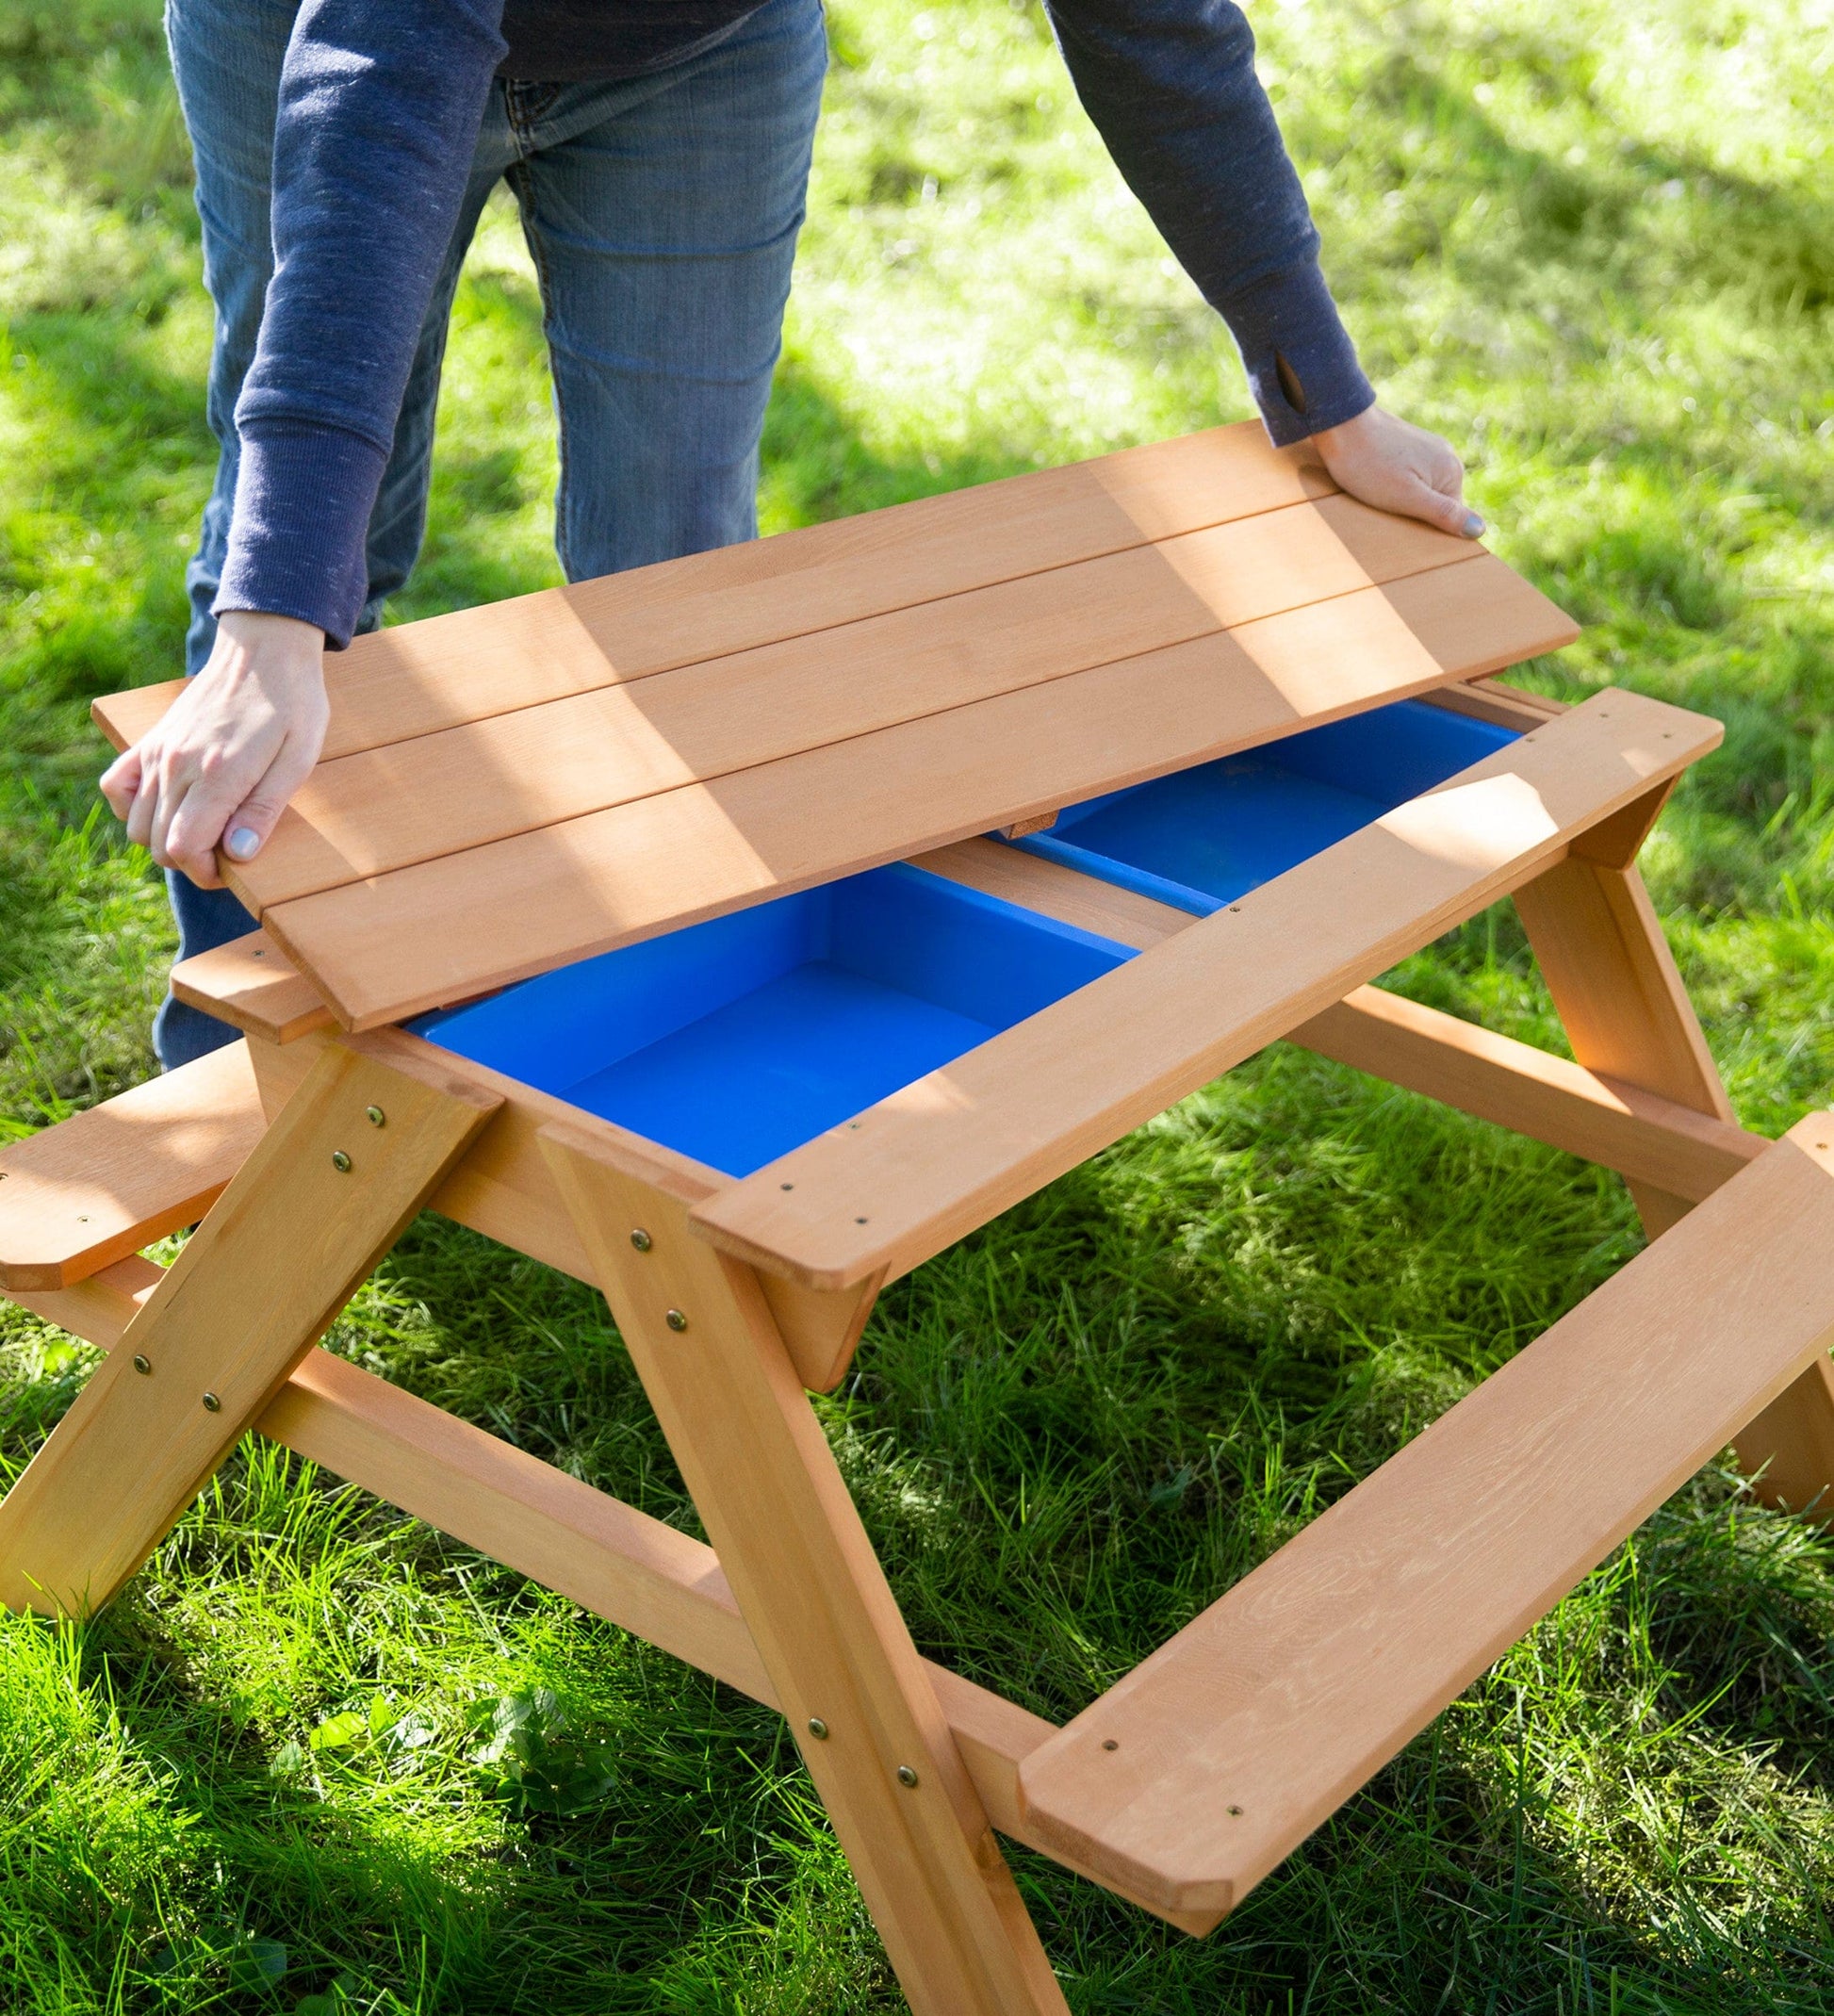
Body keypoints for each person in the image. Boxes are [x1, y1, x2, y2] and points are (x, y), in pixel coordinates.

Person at [105, 0, 1484, 1067]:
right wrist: (275, 617)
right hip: (336, 36)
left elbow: (1151, 26)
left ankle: (633, 1061)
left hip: (704, 54)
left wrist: (1316, 388)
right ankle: (237, 1094)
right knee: (301, 568)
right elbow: (387, 66)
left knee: (683, 574)